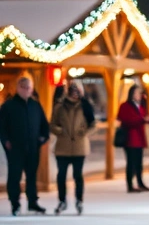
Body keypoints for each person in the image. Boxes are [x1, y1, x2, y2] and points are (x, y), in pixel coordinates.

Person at [0, 76, 50, 216]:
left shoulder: (35, 105)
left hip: (33, 148)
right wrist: (6, 141)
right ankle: (15, 204)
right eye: (24, 87)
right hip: (15, 148)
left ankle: (32, 202)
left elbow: (44, 125)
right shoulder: (8, 106)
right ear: (18, 88)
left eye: (29, 88)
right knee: (14, 176)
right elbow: (1, 127)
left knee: (32, 176)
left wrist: (43, 138)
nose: (26, 90)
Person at [50, 79, 95, 214]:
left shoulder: (85, 106)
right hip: (63, 147)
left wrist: (84, 132)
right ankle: (62, 200)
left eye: (77, 90)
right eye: (72, 90)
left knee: (77, 175)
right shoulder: (60, 106)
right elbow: (52, 124)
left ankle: (79, 200)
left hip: (79, 146)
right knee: (61, 175)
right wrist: (59, 131)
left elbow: (93, 124)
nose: (75, 93)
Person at [117, 84, 149, 193]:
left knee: (139, 162)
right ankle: (130, 185)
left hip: (139, 137)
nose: (139, 95)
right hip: (130, 138)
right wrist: (142, 120)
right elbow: (126, 120)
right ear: (132, 94)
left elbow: (144, 118)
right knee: (131, 162)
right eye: (137, 93)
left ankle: (140, 182)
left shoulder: (141, 107)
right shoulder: (125, 106)